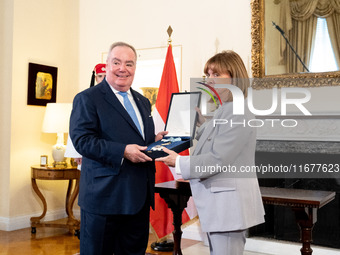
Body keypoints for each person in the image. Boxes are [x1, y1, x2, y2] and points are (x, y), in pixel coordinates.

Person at [156, 50, 265, 255]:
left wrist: (178, 162)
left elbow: (218, 159)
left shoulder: (236, 110)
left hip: (228, 207)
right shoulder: (227, 109)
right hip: (223, 206)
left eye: (216, 74)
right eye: (207, 74)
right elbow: (217, 139)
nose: (209, 79)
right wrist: (200, 123)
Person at [69, 42, 167, 255]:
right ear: (107, 65)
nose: (123, 68)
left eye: (129, 64)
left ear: (135, 68)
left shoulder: (142, 101)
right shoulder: (87, 98)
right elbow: (83, 141)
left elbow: (137, 140)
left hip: (138, 199)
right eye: (117, 62)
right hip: (104, 199)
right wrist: (122, 151)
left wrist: (155, 140)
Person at [65, 63, 107, 167]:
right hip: (89, 148)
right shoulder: (86, 97)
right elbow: (77, 127)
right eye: (100, 76)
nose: (103, 79)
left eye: (105, 76)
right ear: (96, 78)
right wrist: (77, 153)